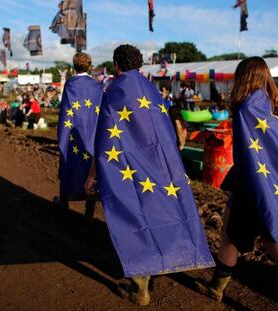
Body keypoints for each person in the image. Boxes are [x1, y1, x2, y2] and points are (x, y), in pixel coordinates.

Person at [194, 57, 278, 310]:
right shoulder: (267, 104)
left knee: (230, 237)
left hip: (252, 187)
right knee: (273, 240)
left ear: (244, 76)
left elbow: (256, 153)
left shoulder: (247, 107)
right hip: (268, 189)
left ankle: (216, 288)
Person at [85, 44, 214, 306]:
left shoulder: (115, 91)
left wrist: (92, 175)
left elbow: (105, 138)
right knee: (161, 212)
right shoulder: (152, 91)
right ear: (139, 64)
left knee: (133, 216)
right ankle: (165, 261)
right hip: (161, 166)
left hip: (129, 167)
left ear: (116, 65)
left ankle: (140, 288)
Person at [54, 52, 103, 218]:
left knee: (69, 160)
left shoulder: (70, 85)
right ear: (90, 66)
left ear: (74, 65)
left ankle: (64, 201)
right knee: (91, 163)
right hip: (92, 132)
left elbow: (65, 112)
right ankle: (89, 208)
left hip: (72, 132)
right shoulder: (98, 86)